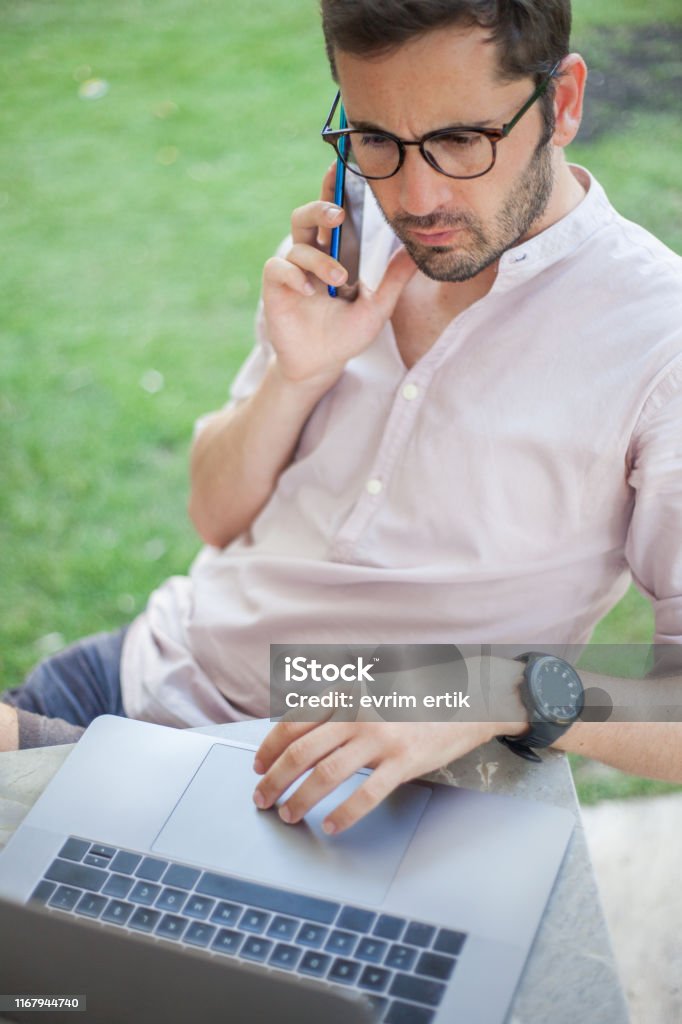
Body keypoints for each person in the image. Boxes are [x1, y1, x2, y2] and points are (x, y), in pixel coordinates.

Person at [2, 0, 681, 836]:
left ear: (563, 103)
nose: (417, 194)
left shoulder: (659, 340)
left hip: (345, 793)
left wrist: (496, 687)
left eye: (463, 139)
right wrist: (297, 377)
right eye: (376, 141)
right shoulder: (348, 239)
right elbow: (215, 517)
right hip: (143, 679)